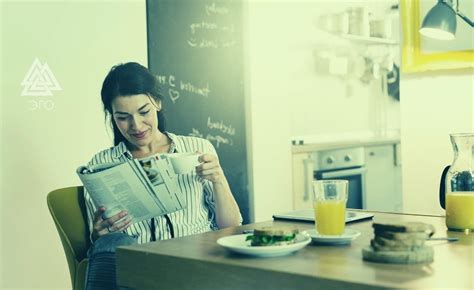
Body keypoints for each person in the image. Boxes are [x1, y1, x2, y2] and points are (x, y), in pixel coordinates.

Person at [83, 62, 242, 289]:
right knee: (110, 247)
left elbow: (231, 225)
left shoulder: (197, 147)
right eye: (122, 117)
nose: (136, 125)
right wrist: (100, 235)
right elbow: (103, 248)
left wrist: (218, 179)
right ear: (112, 116)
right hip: (139, 270)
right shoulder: (101, 165)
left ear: (157, 102)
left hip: (196, 262)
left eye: (144, 112)